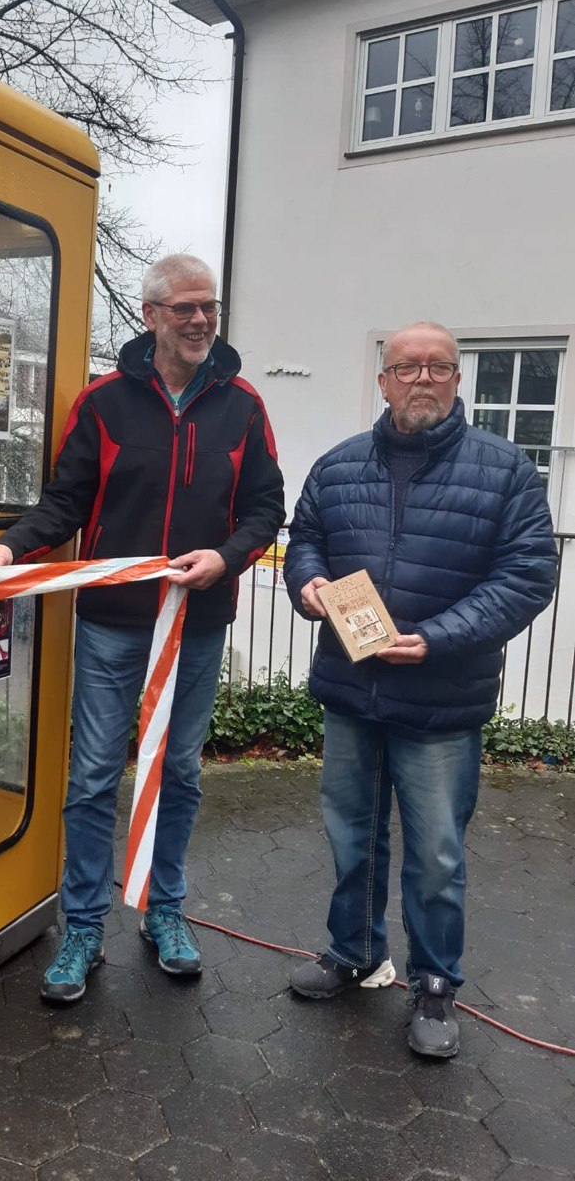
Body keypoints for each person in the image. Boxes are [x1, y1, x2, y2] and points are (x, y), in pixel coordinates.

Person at [0, 254, 285, 1003]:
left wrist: (228, 556)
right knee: (91, 778)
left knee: (177, 772)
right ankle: (82, 926)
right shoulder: (104, 403)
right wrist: (10, 546)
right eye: (183, 308)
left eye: (207, 306)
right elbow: (65, 501)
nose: (200, 319)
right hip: (113, 625)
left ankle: (163, 910)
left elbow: (266, 508)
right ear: (149, 315)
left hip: (198, 624)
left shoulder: (242, 406)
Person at [283, 321, 557, 1059]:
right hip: (350, 689)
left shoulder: (505, 471)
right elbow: (305, 537)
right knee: (351, 838)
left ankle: (434, 984)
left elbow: (527, 576)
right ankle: (352, 953)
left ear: (457, 379)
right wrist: (304, 580)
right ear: (383, 381)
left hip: (439, 699)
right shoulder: (338, 466)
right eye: (406, 367)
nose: (422, 380)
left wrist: (437, 637)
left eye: (437, 366)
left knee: (435, 854)